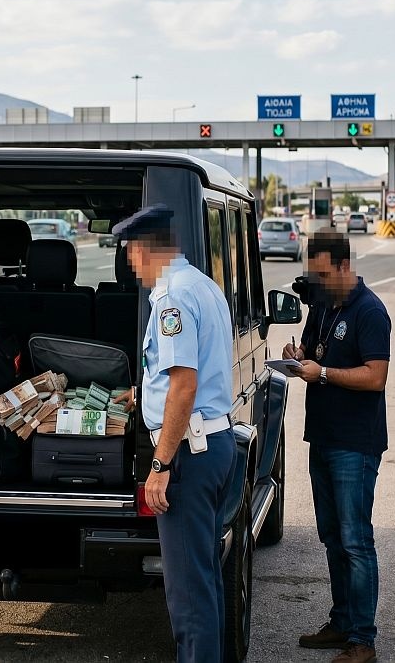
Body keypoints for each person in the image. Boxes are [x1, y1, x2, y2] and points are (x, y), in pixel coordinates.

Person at [111, 204, 236, 663]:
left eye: (130, 255)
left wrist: (160, 466)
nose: (130, 266)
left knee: (187, 594)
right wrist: (143, 392)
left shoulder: (171, 298)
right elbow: (185, 371)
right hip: (214, 444)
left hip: (188, 454)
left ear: (145, 249)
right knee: (203, 580)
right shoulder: (203, 286)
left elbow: (185, 383)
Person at [284, 230, 390, 663]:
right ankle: (342, 621)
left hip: (355, 444)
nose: (318, 280)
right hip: (323, 437)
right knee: (332, 538)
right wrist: (298, 355)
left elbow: (375, 376)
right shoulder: (325, 304)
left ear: (345, 266)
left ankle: (363, 640)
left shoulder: (371, 311)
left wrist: (322, 373)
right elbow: (313, 349)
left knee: (355, 540)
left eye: (324, 273)